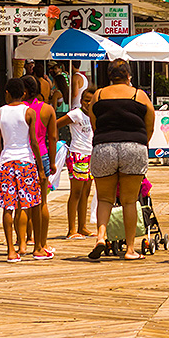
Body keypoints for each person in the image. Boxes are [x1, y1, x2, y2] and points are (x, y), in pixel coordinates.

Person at [86, 59, 155, 261]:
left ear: (109, 76)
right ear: (128, 76)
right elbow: (149, 124)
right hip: (133, 147)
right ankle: (130, 248)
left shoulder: (98, 95)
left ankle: (100, 236)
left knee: (105, 198)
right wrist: (141, 142)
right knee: (129, 200)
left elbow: (94, 124)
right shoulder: (139, 95)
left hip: (104, 146)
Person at [0, 78, 46, 262]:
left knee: (8, 206)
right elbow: (33, 141)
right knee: (31, 204)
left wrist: (1, 159)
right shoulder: (29, 112)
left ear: (7, 93)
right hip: (26, 161)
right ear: (23, 93)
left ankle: (11, 251)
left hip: (7, 161)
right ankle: (37, 247)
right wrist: (40, 167)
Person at [23, 75, 57, 256]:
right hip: (42, 155)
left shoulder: (18, 109)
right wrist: (52, 161)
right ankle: (41, 243)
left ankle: (25, 239)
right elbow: (52, 138)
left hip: (23, 156)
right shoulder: (47, 109)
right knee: (42, 201)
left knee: (24, 203)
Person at [56, 86, 96, 239]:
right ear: (81, 101)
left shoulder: (93, 116)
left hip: (90, 155)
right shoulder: (75, 114)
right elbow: (56, 124)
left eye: (91, 101)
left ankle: (82, 226)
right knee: (76, 192)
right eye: (86, 101)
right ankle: (72, 229)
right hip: (77, 155)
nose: (88, 104)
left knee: (86, 193)